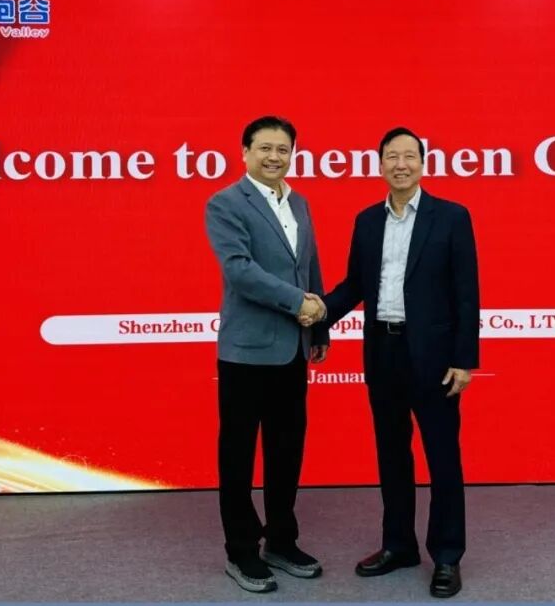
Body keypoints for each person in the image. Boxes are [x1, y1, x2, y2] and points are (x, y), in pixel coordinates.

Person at [316, 126, 479, 598]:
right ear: (380, 164)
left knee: (442, 458)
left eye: (409, 156)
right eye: (392, 156)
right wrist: (317, 314)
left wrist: (464, 360)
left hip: (434, 358)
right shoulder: (367, 220)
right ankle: (398, 545)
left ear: (423, 164)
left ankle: (446, 555)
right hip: (383, 352)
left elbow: (466, 293)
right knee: (391, 455)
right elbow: (355, 285)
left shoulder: (452, 217)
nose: (401, 164)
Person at [204, 116, 330, 593]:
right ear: (245, 152)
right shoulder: (225, 203)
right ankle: (240, 550)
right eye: (265, 148)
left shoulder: (299, 202)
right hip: (246, 352)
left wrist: (319, 327)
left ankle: (281, 540)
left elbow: (309, 265)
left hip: (293, 349)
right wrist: (299, 303)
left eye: (283, 149)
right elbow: (240, 270)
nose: (275, 156)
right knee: (238, 456)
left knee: (286, 450)